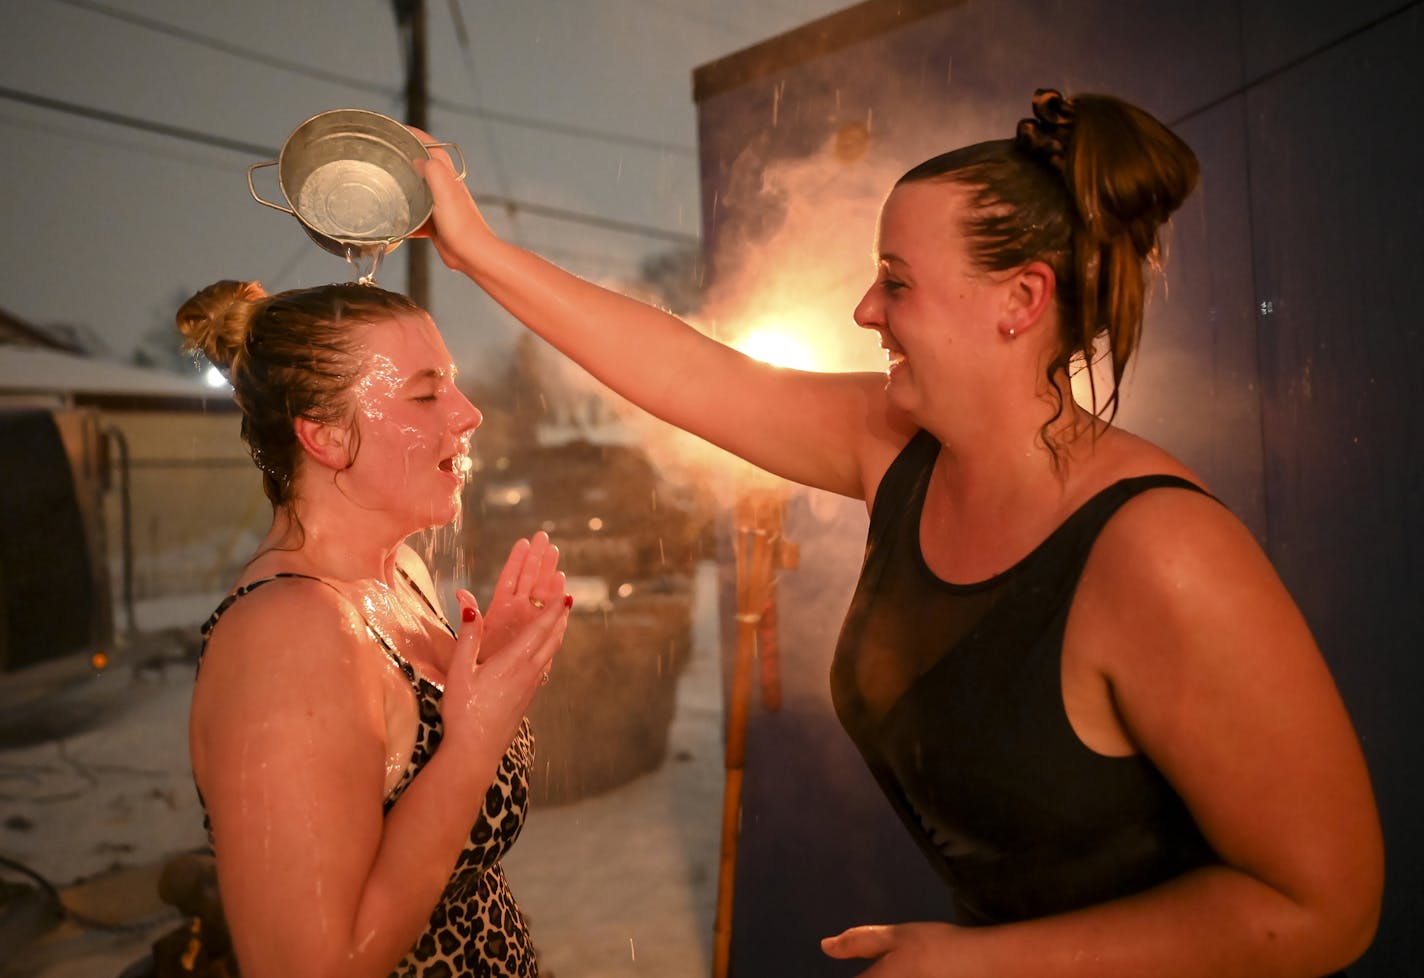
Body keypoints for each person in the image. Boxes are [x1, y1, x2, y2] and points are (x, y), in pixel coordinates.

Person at [409, 86, 1384, 978]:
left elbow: (1322, 909)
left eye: (897, 282)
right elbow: (694, 377)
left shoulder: (1160, 552)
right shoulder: (899, 451)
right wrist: (475, 250)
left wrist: (981, 964)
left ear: (1020, 301)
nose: (864, 309)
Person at [176, 279, 571, 978]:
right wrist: (473, 744)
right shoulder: (286, 636)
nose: (470, 413)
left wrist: (491, 672)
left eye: (453, 384)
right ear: (325, 435)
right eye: (426, 394)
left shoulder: (401, 575)